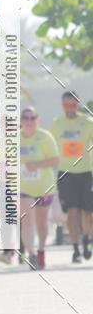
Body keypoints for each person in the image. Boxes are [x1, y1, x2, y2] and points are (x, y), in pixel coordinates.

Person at [50, 91, 93, 263]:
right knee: (72, 213)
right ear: (62, 106)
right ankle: (75, 250)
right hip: (66, 174)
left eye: (73, 104)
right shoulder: (56, 124)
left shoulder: (88, 122)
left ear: (78, 104)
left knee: (88, 213)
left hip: (85, 173)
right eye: (67, 105)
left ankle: (87, 242)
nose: (70, 108)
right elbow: (50, 147)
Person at [17, 106, 59, 269]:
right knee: (27, 221)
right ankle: (31, 253)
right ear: (21, 121)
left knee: (42, 224)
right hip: (23, 188)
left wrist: (37, 165)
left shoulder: (45, 137)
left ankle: (41, 249)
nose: (29, 121)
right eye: (25, 118)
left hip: (44, 187)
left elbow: (55, 160)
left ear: (37, 120)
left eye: (32, 118)